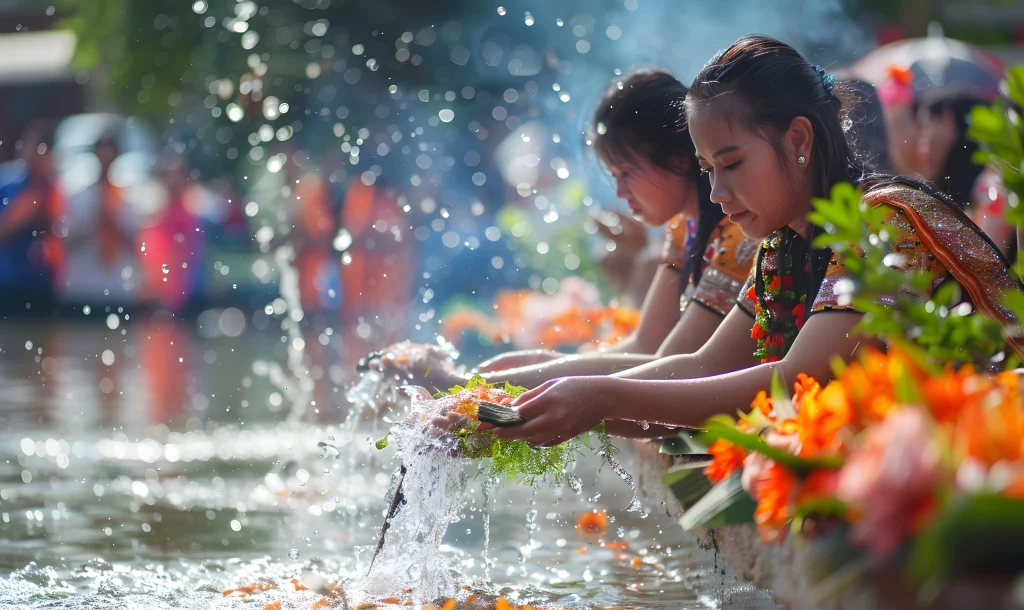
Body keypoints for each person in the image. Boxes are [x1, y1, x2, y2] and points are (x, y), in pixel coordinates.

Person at [438, 35, 1024, 447]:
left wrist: (600, 399)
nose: (716, 192)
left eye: (732, 163)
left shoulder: (881, 222)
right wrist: (552, 394)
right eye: (707, 169)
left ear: (798, 139)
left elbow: (798, 380)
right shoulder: (784, 242)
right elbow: (700, 365)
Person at [378, 70, 759, 390]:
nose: (620, 192)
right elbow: (644, 342)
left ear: (677, 158)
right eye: (613, 176)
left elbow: (670, 362)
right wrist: (537, 365)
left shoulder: (736, 235)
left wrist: (481, 386)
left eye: (627, 173)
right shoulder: (683, 229)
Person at [916, 87, 1015, 259]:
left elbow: (986, 266)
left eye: (925, 130)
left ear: (948, 120)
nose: (921, 146)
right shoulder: (983, 187)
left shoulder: (992, 187)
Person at [56, 132, 141, 307]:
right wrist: (92, 223)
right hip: (82, 287)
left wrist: (112, 221)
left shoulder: (127, 199)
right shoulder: (78, 198)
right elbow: (64, 242)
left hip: (117, 287)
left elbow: (138, 245)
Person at [0, 121, 64, 310]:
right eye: (32, 148)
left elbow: (62, 235)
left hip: (44, 283)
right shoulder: (8, 184)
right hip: (9, 282)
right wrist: (21, 212)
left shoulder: (54, 190)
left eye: (43, 151)